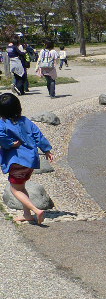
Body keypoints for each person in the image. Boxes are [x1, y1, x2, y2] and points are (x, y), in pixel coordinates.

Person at [0, 92, 54, 225]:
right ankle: (27, 214)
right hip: (30, 161)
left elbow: (1, 137)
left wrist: (10, 144)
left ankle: (37, 210)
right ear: (18, 107)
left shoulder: (2, 123)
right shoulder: (25, 121)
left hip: (17, 161)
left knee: (14, 189)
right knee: (21, 187)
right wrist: (46, 150)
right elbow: (38, 135)